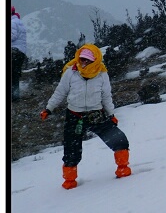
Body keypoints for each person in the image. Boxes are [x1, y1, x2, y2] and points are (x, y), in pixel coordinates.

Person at [40, 44, 132, 189]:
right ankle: (69, 180)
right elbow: (60, 93)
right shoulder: (70, 73)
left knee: (118, 139)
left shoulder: (102, 74)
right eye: (82, 59)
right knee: (71, 150)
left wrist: (111, 114)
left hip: (96, 115)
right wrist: (49, 108)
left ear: (95, 60)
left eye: (87, 60)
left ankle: (123, 168)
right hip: (74, 116)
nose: (83, 62)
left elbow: (106, 96)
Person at [11, 6, 27, 101]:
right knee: (15, 74)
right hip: (21, 51)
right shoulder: (18, 22)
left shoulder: (12, 23)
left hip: (14, 51)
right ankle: (15, 96)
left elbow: (12, 36)